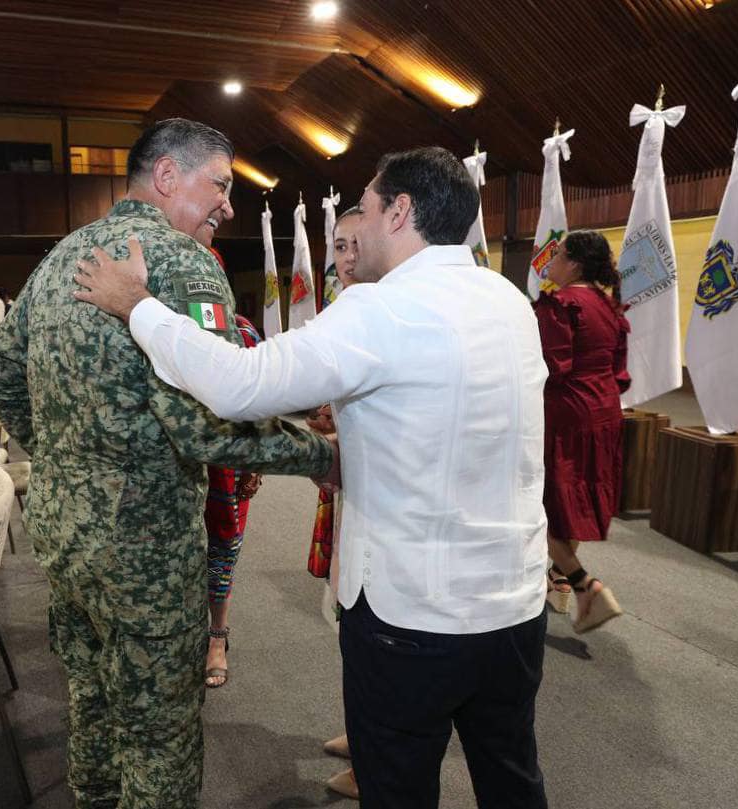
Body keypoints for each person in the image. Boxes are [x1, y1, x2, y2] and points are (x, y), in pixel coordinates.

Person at [74, 146, 551, 809]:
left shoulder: (380, 309)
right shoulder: (508, 300)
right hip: (515, 603)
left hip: (412, 614)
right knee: (511, 777)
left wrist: (139, 307)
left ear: (400, 212)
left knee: (398, 788)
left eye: (370, 203)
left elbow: (240, 386)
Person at [0, 117, 337, 809]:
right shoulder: (180, 260)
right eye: (221, 185)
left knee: (92, 699)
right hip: (141, 544)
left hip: (62, 531)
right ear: (167, 175)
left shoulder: (62, 255)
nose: (229, 205)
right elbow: (205, 424)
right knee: (160, 734)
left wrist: (58, 450)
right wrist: (320, 456)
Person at [534, 230, 628, 633]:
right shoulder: (609, 306)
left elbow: (551, 367)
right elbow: (619, 372)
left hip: (567, 412)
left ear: (573, 264)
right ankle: (558, 584)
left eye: (556, 255)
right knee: (572, 502)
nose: (548, 261)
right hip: (604, 411)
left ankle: (582, 583)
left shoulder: (560, 303)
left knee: (540, 506)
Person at [306, 204, 362, 801]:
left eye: (354, 246)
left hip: (380, 499)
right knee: (347, 614)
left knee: (366, 621)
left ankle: (375, 756)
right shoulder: (348, 313)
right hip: (351, 486)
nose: (344, 260)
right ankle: (362, 729)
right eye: (337, 249)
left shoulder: (382, 313)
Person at [193, 243, 264, 690]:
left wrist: (255, 461)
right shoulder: (155, 330)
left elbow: (258, 402)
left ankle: (217, 636)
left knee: (222, 550)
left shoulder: (242, 332)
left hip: (225, 466)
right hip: (170, 468)